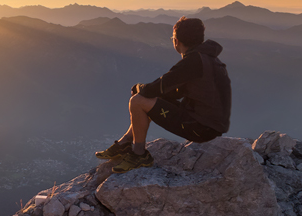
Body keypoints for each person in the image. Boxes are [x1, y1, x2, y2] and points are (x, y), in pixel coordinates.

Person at [96, 17, 231, 171]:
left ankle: (139, 154)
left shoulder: (192, 62)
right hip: (209, 124)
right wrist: (146, 92)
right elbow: (172, 91)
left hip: (201, 128)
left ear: (176, 41)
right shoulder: (207, 58)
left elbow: (159, 86)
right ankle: (125, 142)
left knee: (137, 101)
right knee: (145, 98)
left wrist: (139, 88)